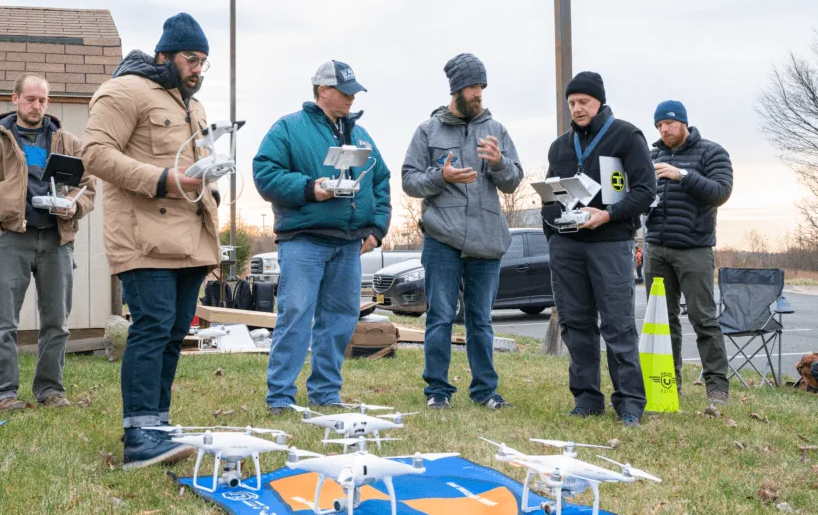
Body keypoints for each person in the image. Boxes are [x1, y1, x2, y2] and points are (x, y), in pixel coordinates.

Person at [81, 13, 221, 469]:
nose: (198, 68)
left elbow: (195, 163)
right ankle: (138, 436)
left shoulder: (194, 107)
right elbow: (96, 154)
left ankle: (158, 425)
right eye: (191, 59)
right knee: (153, 325)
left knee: (175, 331)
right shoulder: (123, 91)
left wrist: (211, 184)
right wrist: (164, 179)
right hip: (143, 237)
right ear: (164, 56)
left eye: (203, 61)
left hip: (191, 236)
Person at [253, 60, 391, 414]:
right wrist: (310, 189)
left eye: (353, 92)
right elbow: (264, 174)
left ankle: (326, 393)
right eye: (344, 92)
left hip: (348, 244)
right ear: (322, 91)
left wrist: (376, 228)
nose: (350, 98)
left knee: (341, 319)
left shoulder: (361, 135)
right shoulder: (288, 129)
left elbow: (380, 181)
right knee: (295, 314)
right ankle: (281, 397)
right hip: (304, 241)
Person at [0, 73, 96, 411]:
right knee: (3, 322)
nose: (36, 105)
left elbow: (89, 185)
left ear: (48, 102)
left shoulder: (67, 143)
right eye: (30, 99)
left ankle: (51, 391)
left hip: (57, 241)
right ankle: (3, 394)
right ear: (15, 99)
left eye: (42, 100)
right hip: (12, 240)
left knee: (56, 323)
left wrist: (75, 206)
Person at [402, 53, 523, 410]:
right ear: (456, 89)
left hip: (486, 239)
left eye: (482, 87)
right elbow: (409, 181)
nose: (478, 94)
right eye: (472, 87)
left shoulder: (496, 130)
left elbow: (513, 181)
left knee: (481, 320)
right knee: (440, 315)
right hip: (443, 239)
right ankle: (437, 391)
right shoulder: (428, 130)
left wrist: (500, 163)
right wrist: (442, 177)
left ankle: (486, 391)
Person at [542, 71, 656, 427]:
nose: (577, 109)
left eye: (584, 102)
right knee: (576, 324)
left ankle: (630, 403)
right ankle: (587, 398)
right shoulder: (560, 146)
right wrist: (555, 226)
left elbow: (645, 190)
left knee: (618, 326)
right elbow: (548, 195)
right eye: (572, 103)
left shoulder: (626, 135)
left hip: (610, 243)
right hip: (568, 248)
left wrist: (606, 215)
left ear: (599, 102)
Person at [645, 100, 733, 405]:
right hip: (655, 247)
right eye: (658, 125)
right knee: (661, 321)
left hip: (694, 248)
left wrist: (681, 175)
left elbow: (721, 192)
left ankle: (717, 390)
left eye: (668, 123)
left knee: (703, 319)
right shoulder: (651, 154)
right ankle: (668, 387)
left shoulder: (712, 152)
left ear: (683, 122)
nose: (663, 129)